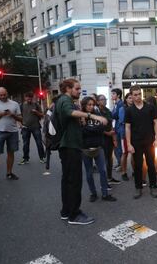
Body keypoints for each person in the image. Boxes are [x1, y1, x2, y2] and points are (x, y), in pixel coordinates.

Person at [56, 78, 107, 225]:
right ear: (68, 89)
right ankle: (74, 215)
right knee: (74, 181)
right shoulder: (65, 100)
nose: (79, 91)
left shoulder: (64, 100)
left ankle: (66, 211)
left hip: (67, 146)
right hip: (71, 147)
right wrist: (92, 115)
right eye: (77, 89)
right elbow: (68, 112)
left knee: (67, 180)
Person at [125, 85, 157, 199]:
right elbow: (128, 128)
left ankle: (153, 186)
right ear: (131, 96)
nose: (138, 96)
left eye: (139, 94)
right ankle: (138, 187)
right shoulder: (129, 110)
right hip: (136, 143)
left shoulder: (150, 107)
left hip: (149, 141)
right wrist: (129, 144)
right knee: (138, 166)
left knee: (151, 164)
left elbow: (155, 123)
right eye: (135, 95)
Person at [80, 97, 117, 203]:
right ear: (84, 105)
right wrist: (93, 129)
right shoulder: (81, 116)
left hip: (98, 147)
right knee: (89, 173)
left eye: (92, 104)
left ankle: (105, 194)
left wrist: (90, 128)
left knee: (103, 171)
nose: (91, 106)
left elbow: (102, 127)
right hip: (86, 149)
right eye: (88, 105)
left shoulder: (97, 114)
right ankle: (93, 193)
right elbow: (83, 131)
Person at [0, 87, 22, 183]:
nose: (3, 96)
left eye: (4, 94)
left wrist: (12, 115)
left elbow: (21, 119)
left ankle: (9, 173)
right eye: (1, 95)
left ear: (7, 93)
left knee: (11, 153)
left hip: (12, 132)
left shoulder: (15, 104)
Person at [97, 95, 120, 185]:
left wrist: (114, 138)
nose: (105, 101)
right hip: (101, 138)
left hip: (109, 138)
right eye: (102, 99)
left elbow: (111, 123)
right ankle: (105, 181)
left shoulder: (107, 111)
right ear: (98, 102)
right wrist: (107, 133)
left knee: (110, 159)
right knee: (103, 160)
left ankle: (110, 177)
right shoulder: (97, 112)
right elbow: (97, 127)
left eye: (105, 99)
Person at [18, 92, 45, 165]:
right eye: (27, 97)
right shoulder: (21, 105)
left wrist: (36, 112)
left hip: (36, 127)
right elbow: (18, 117)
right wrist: (20, 125)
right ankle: (25, 158)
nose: (29, 99)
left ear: (32, 98)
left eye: (30, 97)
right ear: (25, 98)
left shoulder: (36, 105)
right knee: (25, 144)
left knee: (39, 143)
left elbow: (42, 115)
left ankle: (42, 157)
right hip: (25, 128)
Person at [145, 96, 157, 186]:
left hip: (154, 138)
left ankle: (145, 180)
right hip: (153, 138)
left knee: (152, 159)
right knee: (153, 159)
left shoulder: (156, 112)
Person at [118, 92, 133, 181]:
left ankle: (135, 171)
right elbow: (123, 121)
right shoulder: (122, 109)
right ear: (126, 99)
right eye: (129, 98)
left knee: (134, 154)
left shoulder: (135, 107)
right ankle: (124, 172)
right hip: (124, 134)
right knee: (125, 153)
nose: (131, 99)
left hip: (134, 134)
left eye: (132, 98)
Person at [42, 95, 59, 174]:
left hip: (51, 132)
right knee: (50, 146)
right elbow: (46, 121)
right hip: (51, 131)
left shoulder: (52, 108)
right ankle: (47, 163)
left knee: (49, 147)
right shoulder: (52, 108)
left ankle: (47, 163)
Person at [111, 88, 124, 174]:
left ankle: (121, 165)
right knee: (116, 147)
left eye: (113, 94)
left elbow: (116, 116)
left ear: (118, 95)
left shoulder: (120, 104)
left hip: (119, 129)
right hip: (116, 128)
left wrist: (110, 114)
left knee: (119, 148)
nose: (112, 95)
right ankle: (119, 163)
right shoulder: (116, 103)